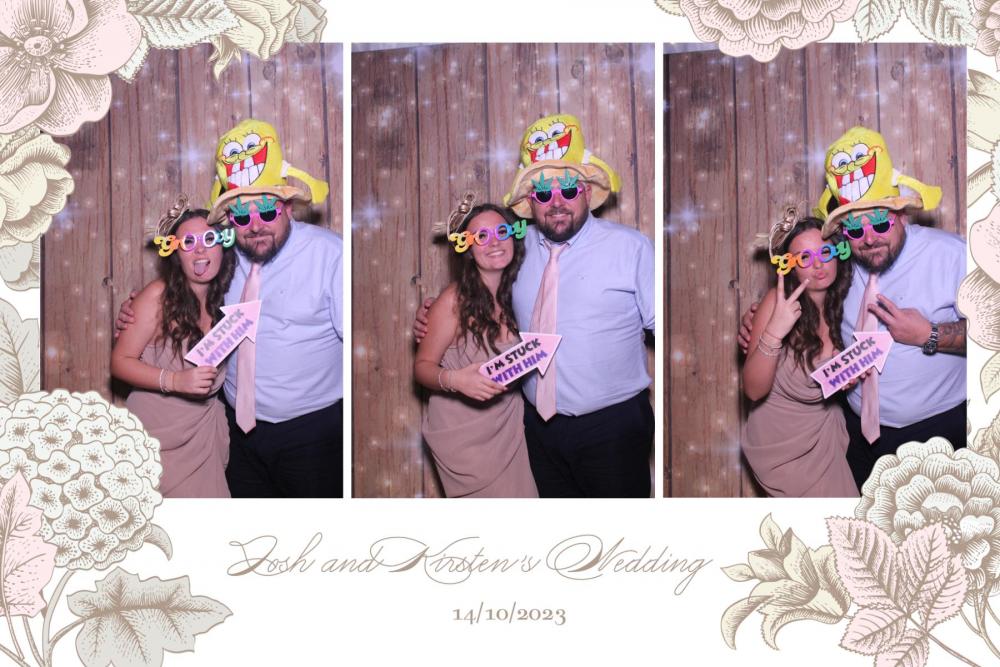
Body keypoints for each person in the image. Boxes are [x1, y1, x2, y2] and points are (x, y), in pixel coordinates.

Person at [418, 114, 654, 498]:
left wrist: (754, 329)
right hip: (537, 430)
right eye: (543, 193)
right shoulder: (518, 249)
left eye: (568, 189)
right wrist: (432, 317)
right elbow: (475, 294)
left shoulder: (630, 247)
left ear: (586, 192)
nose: (556, 202)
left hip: (612, 427)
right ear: (531, 201)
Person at [118, 119, 343, 498]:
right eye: (241, 216)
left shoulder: (330, 254)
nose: (255, 226)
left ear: (288, 208)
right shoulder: (223, 258)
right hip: (237, 435)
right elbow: (181, 286)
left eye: (267, 211)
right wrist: (136, 309)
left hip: (311, 434)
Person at [739, 127, 966, 489]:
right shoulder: (841, 269)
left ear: (902, 215)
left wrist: (931, 333)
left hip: (939, 431)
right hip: (858, 438)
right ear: (844, 236)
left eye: (880, 222)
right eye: (856, 230)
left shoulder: (951, 254)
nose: (870, 238)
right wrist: (763, 325)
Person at [111, 198, 236, 498]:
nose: (200, 250)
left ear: (223, 246)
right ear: (176, 253)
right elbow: (119, 362)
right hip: (156, 441)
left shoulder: (229, 300)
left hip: (203, 441)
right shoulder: (158, 296)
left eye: (209, 239)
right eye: (188, 242)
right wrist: (175, 380)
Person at [414, 201, 537, 497]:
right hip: (466, 441)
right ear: (468, 249)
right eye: (481, 236)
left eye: (502, 232)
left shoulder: (522, 292)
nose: (494, 242)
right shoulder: (453, 300)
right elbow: (422, 367)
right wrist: (455, 380)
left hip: (510, 429)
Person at [741, 214, 858, 497]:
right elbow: (753, 390)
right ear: (789, 266)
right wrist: (774, 331)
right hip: (781, 442)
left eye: (825, 252)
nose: (818, 264)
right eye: (804, 258)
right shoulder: (777, 302)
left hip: (825, 437)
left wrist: (851, 378)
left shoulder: (850, 303)